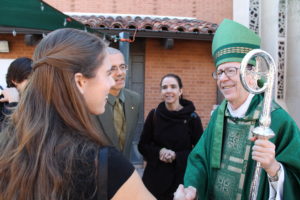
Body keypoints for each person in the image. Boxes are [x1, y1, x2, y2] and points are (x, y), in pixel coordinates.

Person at [0, 28, 155, 200]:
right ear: (80, 82)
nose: (112, 81)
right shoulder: (103, 164)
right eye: (107, 73)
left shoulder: (9, 145)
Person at [175, 19, 300, 200]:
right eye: (219, 72)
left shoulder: (277, 120)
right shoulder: (220, 115)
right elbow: (200, 159)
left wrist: (273, 168)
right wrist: (192, 188)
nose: (223, 79)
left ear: (251, 74)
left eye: (231, 71)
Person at [138, 73, 203, 200]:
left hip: (180, 181)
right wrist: (160, 151)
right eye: (164, 87)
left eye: (173, 87)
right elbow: (142, 145)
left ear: (180, 91)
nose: (168, 90)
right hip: (154, 180)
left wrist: (176, 156)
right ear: (161, 92)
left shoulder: (192, 118)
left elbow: (199, 152)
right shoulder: (154, 115)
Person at [95, 47, 142, 160]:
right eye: (113, 69)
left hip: (124, 170)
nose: (120, 73)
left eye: (122, 67)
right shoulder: (91, 101)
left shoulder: (135, 99)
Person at [0, 57, 32, 129]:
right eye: (28, 78)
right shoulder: (3, 102)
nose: (33, 82)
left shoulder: (35, 99)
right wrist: (13, 103)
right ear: (15, 80)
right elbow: (6, 135)